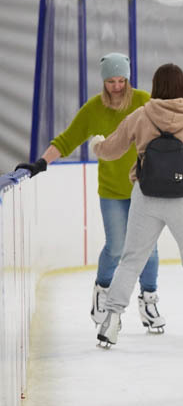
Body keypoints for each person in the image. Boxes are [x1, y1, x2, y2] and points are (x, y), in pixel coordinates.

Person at [14, 53, 164, 330]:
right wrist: (41, 163)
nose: (117, 86)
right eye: (111, 81)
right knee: (116, 247)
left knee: (149, 249)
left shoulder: (144, 101)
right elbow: (67, 139)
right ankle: (102, 292)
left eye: (121, 80)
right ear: (103, 81)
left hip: (145, 190)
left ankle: (149, 300)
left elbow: (170, 127)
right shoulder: (93, 108)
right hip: (111, 191)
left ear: (128, 79)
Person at [91, 63, 183, 348]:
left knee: (131, 260)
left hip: (146, 197)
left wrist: (97, 144)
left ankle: (111, 321)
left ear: (156, 86)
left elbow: (112, 150)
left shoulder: (141, 115)